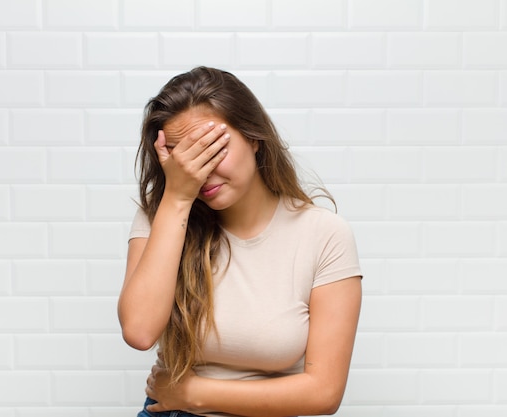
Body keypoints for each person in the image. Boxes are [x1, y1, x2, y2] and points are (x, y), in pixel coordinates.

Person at [118, 66, 362, 417]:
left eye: (212, 148)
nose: (199, 171)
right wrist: (176, 199)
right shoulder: (163, 215)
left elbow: (323, 393)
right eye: (181, 157)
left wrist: (193, 393)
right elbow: (139, 331)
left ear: (253, 137)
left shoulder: (324, 234)